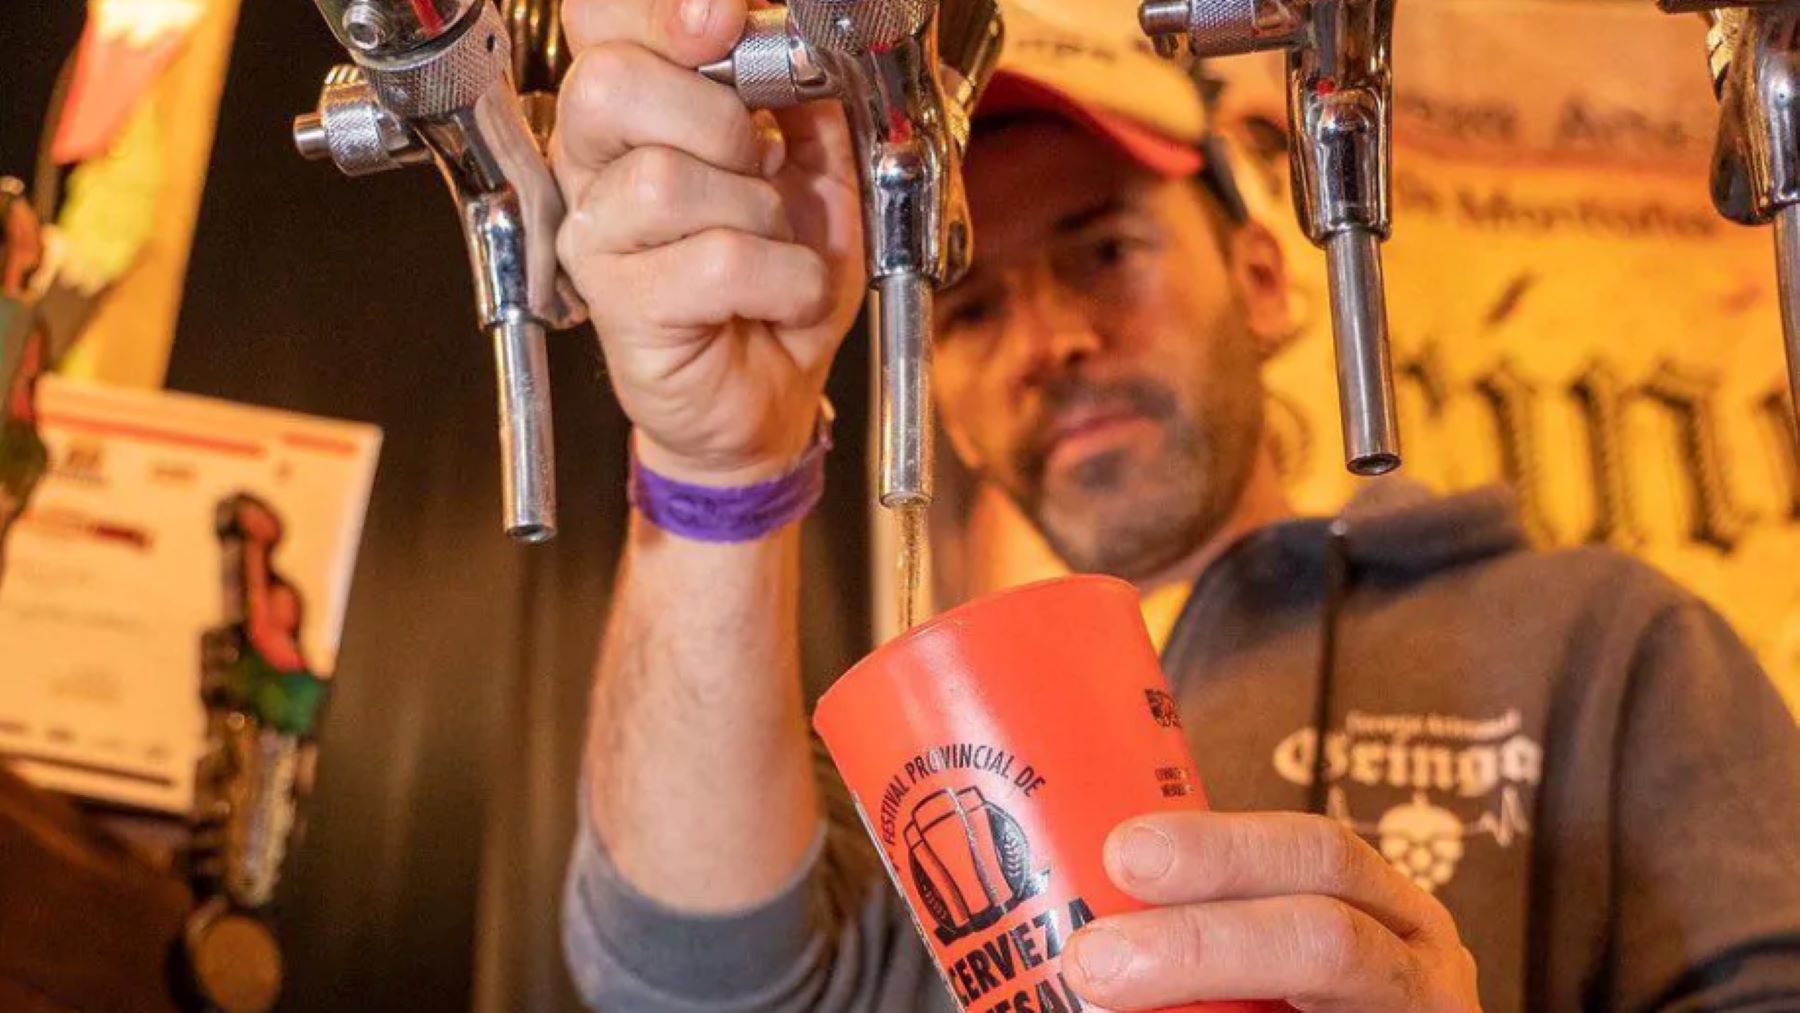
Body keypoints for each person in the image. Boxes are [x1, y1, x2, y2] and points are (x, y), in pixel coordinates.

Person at [550, 0, 1800, 1008]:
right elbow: (688, 980)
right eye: (975, 305)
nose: (1052, 339)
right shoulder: (928, 757)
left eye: (1106, 250)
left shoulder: (1600, 639)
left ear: (1261, 279)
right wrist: (721, 457)